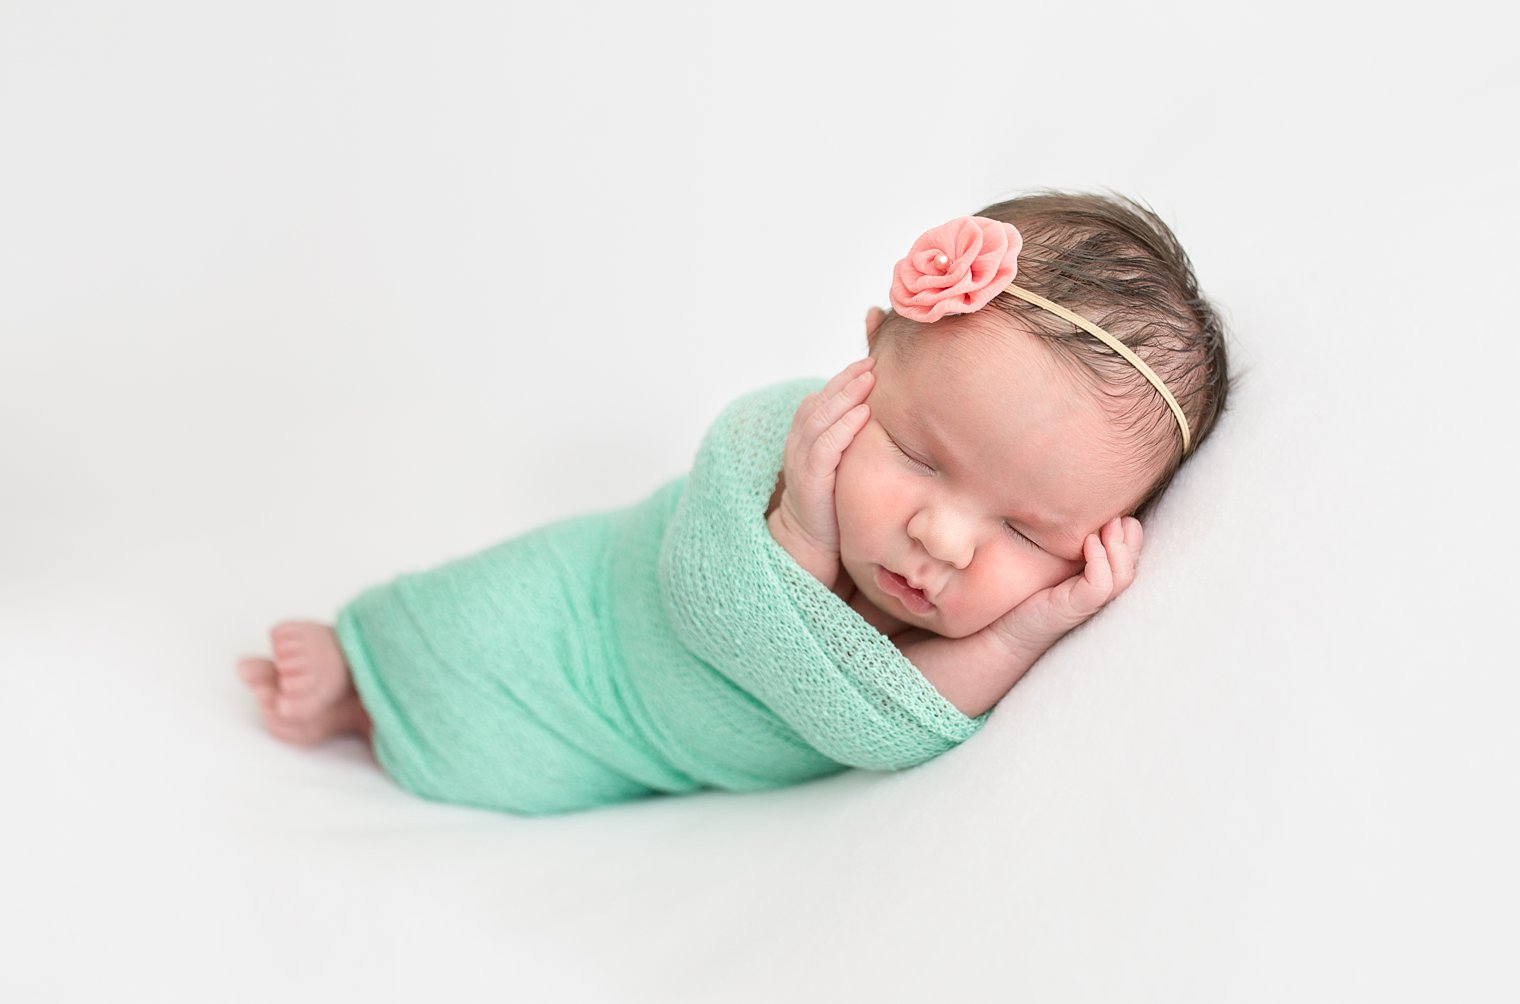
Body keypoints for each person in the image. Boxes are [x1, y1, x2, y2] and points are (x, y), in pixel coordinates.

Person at [237, 191, 1231, 815]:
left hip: (643, 736)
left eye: (1023, 531)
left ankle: (371, 719)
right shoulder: (784, 444)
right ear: (870, 357)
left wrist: (1030, 631)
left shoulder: (991, 609)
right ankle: (359, 659)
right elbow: (709, 592)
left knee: (524, 765)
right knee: (478, 623)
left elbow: (900, 711)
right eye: (919, 455)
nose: (942, 535)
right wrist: (797, 524)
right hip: (596, 611)